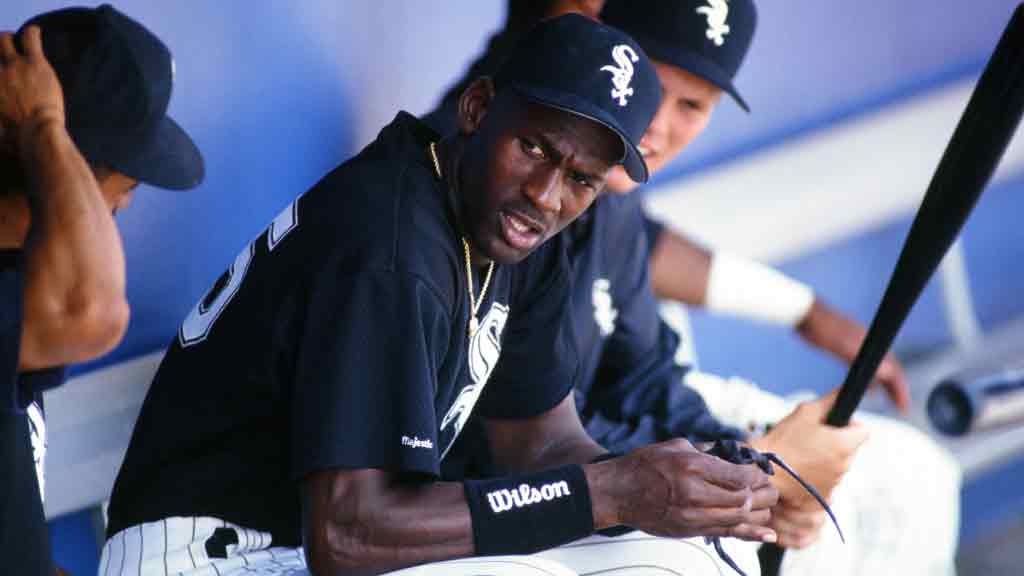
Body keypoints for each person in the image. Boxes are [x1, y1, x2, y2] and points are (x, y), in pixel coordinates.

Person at [102, 15, 779, 576]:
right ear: (478, 108)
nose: (545, 194)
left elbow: (537, 446)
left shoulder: (520, 233)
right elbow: (349, 535)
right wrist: (610, 491)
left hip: (300, 547)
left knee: (677, 557)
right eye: (534, 146)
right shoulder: (389, 247)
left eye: (581, 178)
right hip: (208, 556)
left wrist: (674, 488)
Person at [431, 1, 962, 575]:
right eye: (650, 87)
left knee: (910, 474)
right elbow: (534, 443)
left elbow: (645, 371)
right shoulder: (514, 191)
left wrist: (737, 454)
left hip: (610, 461)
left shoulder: (613, 201)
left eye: (691, 105)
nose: (656, 127)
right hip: (507, 501)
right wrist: (753, 472)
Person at [0, 5, 204, 575]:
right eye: (121, 177)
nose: (126, 200)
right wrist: (43, 120)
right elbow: (90, 311)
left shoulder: (23, 285)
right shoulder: (40, 304)